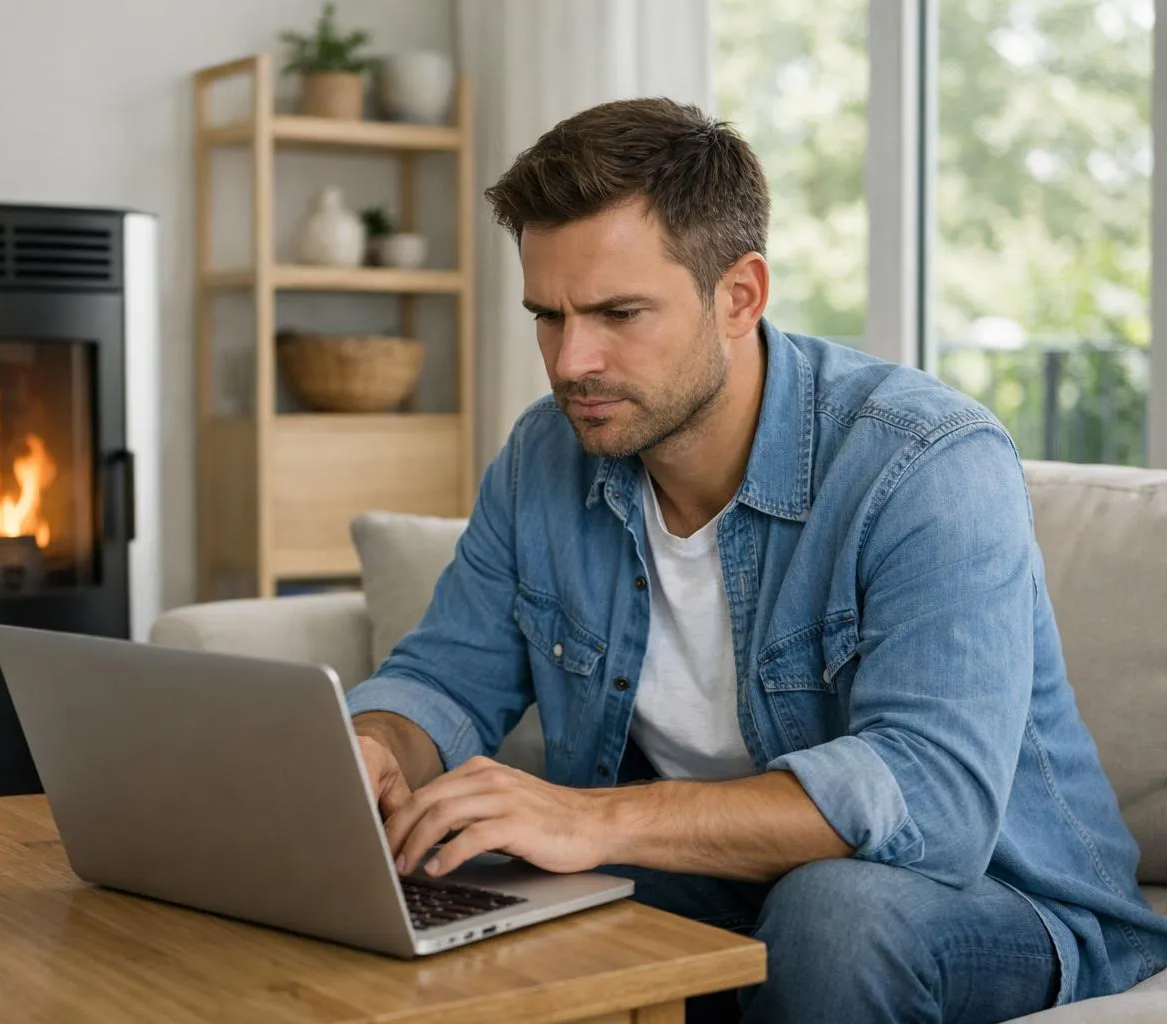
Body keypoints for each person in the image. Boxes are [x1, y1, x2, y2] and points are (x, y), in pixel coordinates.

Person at [342, 97, 1167, 1023]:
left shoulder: (926, 462)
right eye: (548, 315)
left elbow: (931, 799)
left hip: (1001, 897)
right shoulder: (546, 456)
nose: (573, 360)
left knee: (830, 912)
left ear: (739, 295)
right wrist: (372, 747)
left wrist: (585, 818)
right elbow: (446, 678)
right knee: (465, 872)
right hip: (712, 878)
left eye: (619, 313)